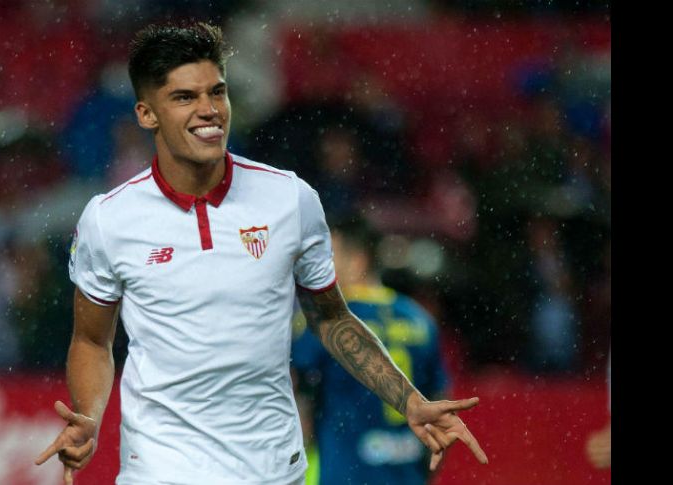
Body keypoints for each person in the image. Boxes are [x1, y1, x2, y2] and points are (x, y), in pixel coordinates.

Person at [35, 22, 488, 485]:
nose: (209, 110)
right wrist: (87, 416)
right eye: (185, 97)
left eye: (218, 92)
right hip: (159, 470)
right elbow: (92, 340)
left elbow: (330, 318)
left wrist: (407, 399)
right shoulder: (109, 220)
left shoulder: (290, 200)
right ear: (147, 114)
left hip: (272, 471)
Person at [292, 216, 450, 485]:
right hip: (406, 475)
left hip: (345, 476)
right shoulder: (419, 319)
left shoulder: (324, 321)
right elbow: (442, 411)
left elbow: (299, 410)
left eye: (329, 256)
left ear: (358, 261)